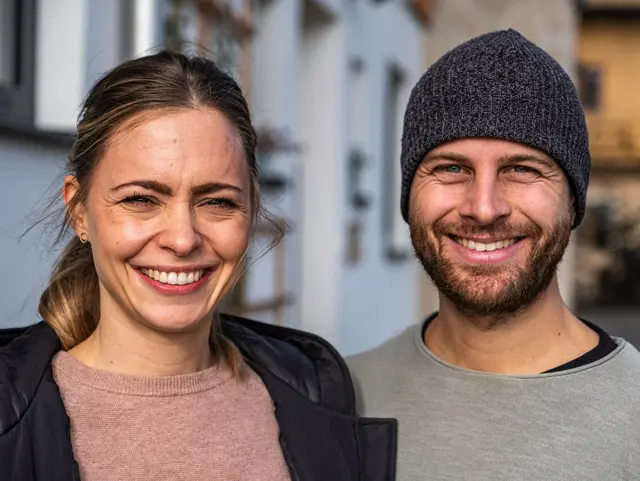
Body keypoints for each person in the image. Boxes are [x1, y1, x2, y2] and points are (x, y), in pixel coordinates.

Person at [0, 50, 396, 481]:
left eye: (218, 202)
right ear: (79, 210)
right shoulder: (10, 418)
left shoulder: (315, 391)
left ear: (252, 209)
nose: (182, 239)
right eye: (141, 200)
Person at [347, 29, 640, 480]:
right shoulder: (341, 399)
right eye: (450, 168)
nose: (483, 208)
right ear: (408, 196)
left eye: (522, 169)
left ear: (572, 200)